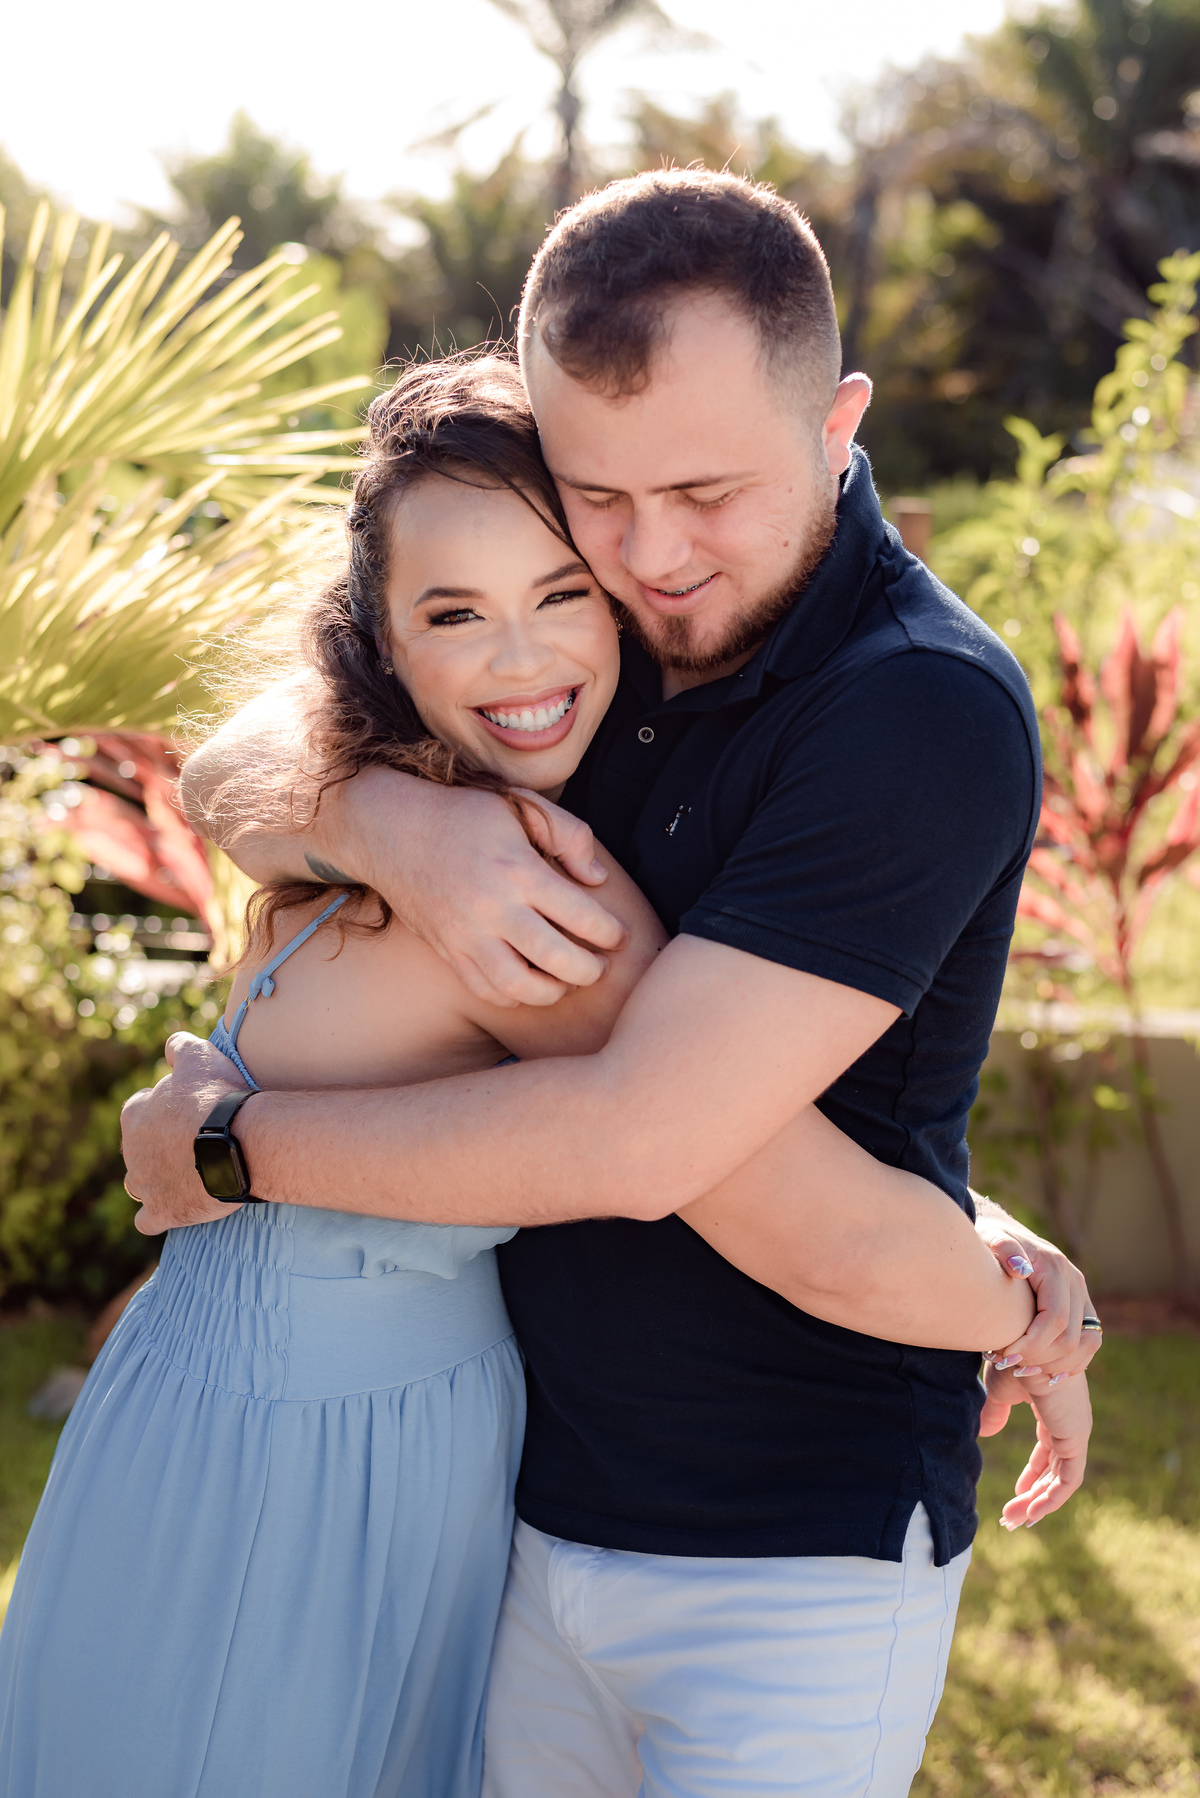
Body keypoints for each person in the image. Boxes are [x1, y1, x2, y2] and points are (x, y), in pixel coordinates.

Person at [123, 173, 1101, 1796]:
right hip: (518, 1507)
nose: (651, 553)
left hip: (788, 1557)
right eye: (601, 496)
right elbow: (237, 756)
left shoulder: (915, 709)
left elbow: (645, 1130)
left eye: (706, 490)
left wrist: (233, 1145)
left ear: (839, 418)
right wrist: (408, 828)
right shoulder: (602, 618)